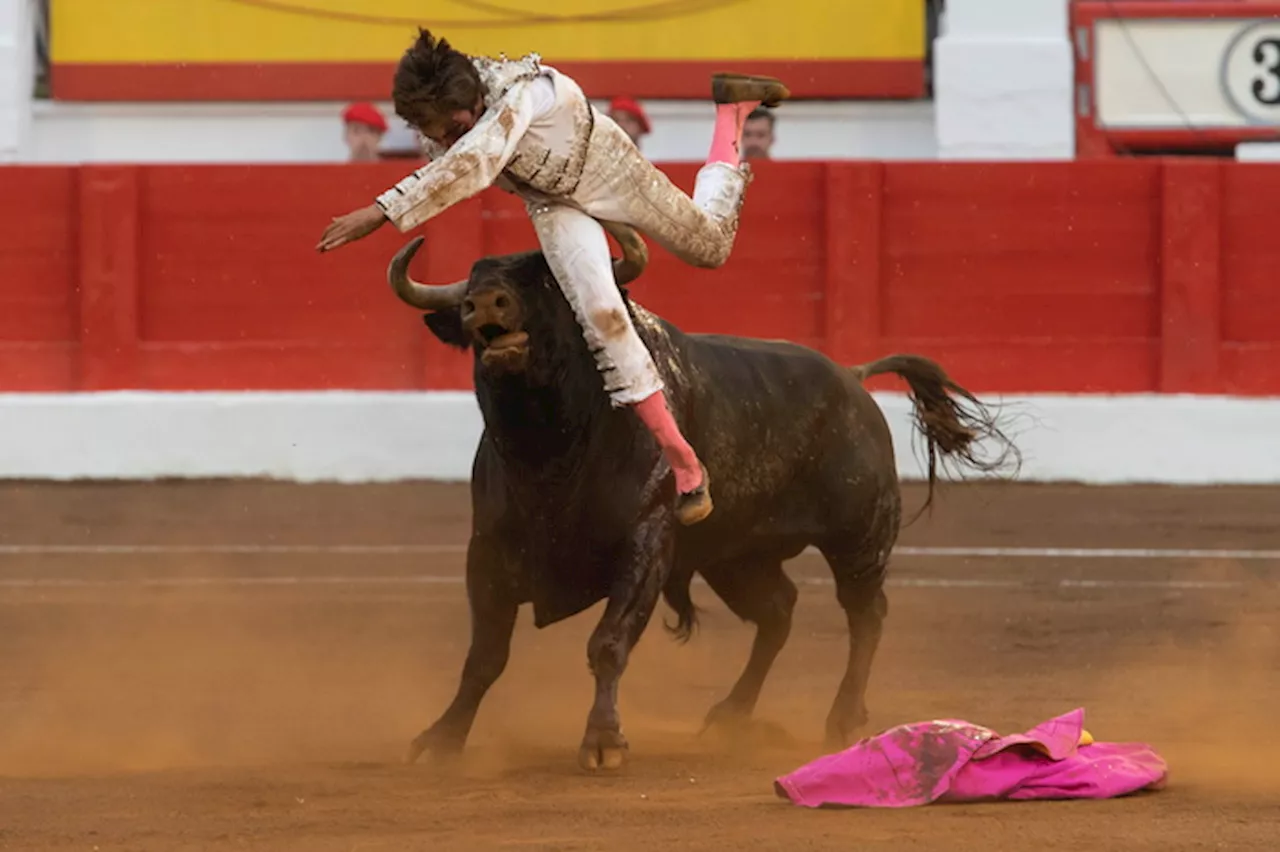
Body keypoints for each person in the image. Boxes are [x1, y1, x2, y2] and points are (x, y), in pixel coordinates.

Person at [317, 30, 788, 526]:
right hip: (553, 204)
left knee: (711, 246)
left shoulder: (526, 93)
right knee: (602, 317)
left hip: (606, 168)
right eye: (436, 134)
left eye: (451, 128)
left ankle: (731, 112)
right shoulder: (455, 120)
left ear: (473, 99)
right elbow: (460, 156)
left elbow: (475, 158)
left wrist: (379, 211)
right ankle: (686, 466)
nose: (444, 141)